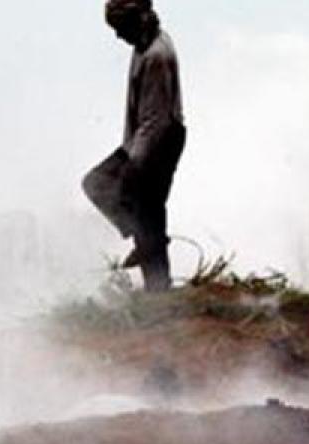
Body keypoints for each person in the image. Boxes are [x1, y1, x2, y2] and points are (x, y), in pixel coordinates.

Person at [82, 0, 185, 291]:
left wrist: (134, 165)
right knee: (99, 186)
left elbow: (156, 120)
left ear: (138, 19)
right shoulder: (144, 45)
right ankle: (148, 243)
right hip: (143, 139)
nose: (117, 36)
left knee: (147, 209)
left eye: (120, 27)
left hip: (159, 141)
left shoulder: (157, 55)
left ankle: (157, 286)